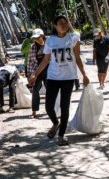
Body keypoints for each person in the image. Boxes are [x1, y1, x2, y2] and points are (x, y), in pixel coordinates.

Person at [29, 15, 89, 146]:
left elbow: (77, 57)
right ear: (55, 26)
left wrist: (84, 74)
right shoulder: (50, 40)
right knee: (48, 106)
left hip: (68, 77)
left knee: (65, 106)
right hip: (53, 77)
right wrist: (35, 74)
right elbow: (45, 60)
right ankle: (56, 123)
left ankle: (61, 136)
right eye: (60, 23)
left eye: (65, 22)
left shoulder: (73, 37)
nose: (63, 25)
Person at [26, 28, 48, 118]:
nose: (37, 39)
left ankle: (52, 109)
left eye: (38, 37)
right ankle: (34, 112)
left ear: (42, 36)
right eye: (35, 38)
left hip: (48, 71)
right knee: (35, 91)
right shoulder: (32, 47)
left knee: (50, 91)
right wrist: (29, 75)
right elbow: (30, 61)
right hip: (37, 72)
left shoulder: (48, 45)